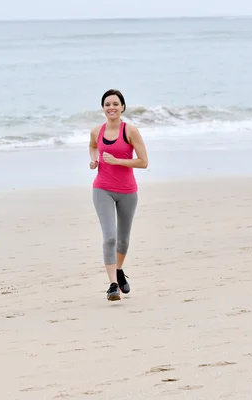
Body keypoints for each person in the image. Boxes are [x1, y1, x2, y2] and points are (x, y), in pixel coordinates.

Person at [88, 89, 149, 301]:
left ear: (122, 107)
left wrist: (118, 161)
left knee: (123, 240)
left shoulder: (130, 131)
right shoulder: (97, 131)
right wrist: (94, 160)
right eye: (107, 104)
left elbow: (143, 162)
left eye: (115, 104)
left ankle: (119, 269)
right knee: (110, 238)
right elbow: (93, 146)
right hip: (102, 189)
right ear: (103, 108)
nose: (111, 107)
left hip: (127, 192)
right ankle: (113, 285)